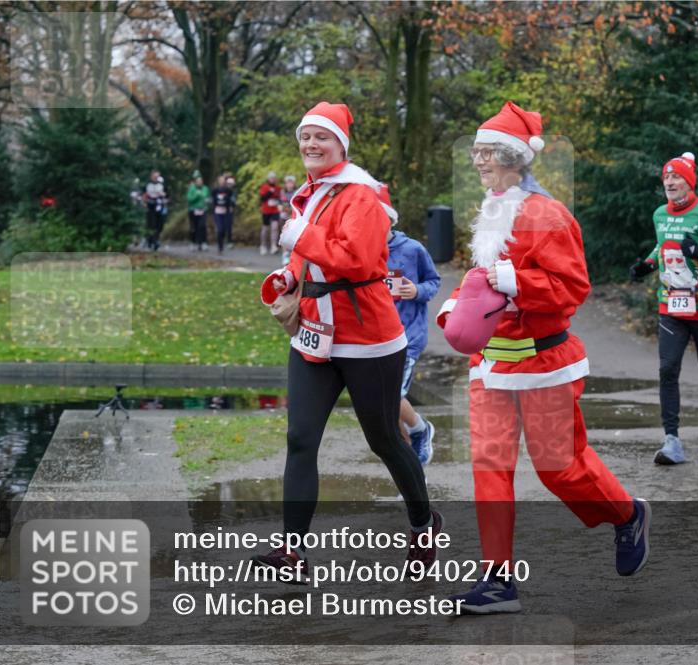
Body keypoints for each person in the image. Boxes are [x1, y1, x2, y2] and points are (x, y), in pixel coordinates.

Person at [438, 102, 649, 614]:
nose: (478, 161)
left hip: (544, 364)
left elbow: (573, 289)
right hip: (491, 366)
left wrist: (514, 284)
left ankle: (627, 514)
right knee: (489, 467)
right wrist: (460, 306)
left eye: (487, 152)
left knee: (560, 469)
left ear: (514, 157)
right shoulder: (492, 207)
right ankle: (497, 580)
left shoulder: (548, 214)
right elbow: (481, 280)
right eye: (476, 152)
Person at [253, 101, 440, 577]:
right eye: (306, 136)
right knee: (299, 440)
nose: (311, 145)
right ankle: (292, 554)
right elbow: (311, 255)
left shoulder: (361, 195)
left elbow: (356, 261)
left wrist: (298, 238)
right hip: (315, 334)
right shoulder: (312, 193)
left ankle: (423, 524)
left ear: (341, 145)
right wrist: (289, 277)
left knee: (384, 440)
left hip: (369, 337)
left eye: (323, 138)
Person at [629, 152, 698, 465]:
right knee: (667, 369)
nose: (670, 182)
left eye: (676, 177)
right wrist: (647, 265)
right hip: (671, 303)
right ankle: (672, 441)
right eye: (666, 178)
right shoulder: (659, 214)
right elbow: (663, 245)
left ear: (689, 182)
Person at [381, 184, 441, 464]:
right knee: (384, 410)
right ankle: (411, 469)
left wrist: (416, 291)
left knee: (392, 396)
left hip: (408, 337)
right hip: (375, 338)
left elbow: (434, 282)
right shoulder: (363, 252)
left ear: (390, 220)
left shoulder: (413, 249)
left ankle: (420, 428)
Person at [142, 170, 167, 251]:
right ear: (151, 177)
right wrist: (145, 201)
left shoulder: (162, 185)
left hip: (160, 207)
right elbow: (143, 195)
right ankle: (151, 241)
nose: (156, 178)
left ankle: (155, 240)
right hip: (150, 207)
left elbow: (167, 196)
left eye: (157, 176)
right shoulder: (147, 185)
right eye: (154, 176)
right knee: (151, 224)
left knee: (159, 225)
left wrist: (163, 195)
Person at [259, 171, 282, 255]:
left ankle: (273, 246)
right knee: (265, 228)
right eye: (271, 178)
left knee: (275, 227)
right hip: (266, 210)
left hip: (275, 210)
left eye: (274, 178)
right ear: (268, 179)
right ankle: (263, 245)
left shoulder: (278, 188)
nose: (272, 179)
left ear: (276, 179)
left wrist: (280, 204)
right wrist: (269, 192)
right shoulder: (264, 187)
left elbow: (280, 199)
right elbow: (262, 199)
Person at [186, 170, 210, 251]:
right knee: (194, 227)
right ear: (195, 182)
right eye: (198, 181)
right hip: (193, 210)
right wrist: (197, 195)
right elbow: (189, 199)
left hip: (202, 209)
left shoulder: (205, 188)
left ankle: (203, 242)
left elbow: (207, 197)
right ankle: (193, 242)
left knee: (202, 226)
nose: (200, 182)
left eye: (201, 181)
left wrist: (207, 201)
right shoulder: (192, 189)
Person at [211, 174, 233, 254]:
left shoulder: (228, 190)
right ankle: (220, 248)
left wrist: (230, 206)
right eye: (220, 180)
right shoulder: (215, 190)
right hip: (217, 212)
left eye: (223, 180)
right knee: (220, 230)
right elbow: (212, 200)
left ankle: (222, 243)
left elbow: (230, 199)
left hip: (225, 212)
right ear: (218, 181)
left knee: (224, 230)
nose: (222, 182)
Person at [280, 174, 298, 265]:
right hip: (284, 216)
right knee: (284, 235)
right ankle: (285, 255)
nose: (289, 184)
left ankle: (292, 255)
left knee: (292, 236)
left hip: (293, 216)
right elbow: (280, 203)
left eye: (291, 183)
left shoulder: (297, 192)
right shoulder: (282, 192)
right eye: (288, 183)